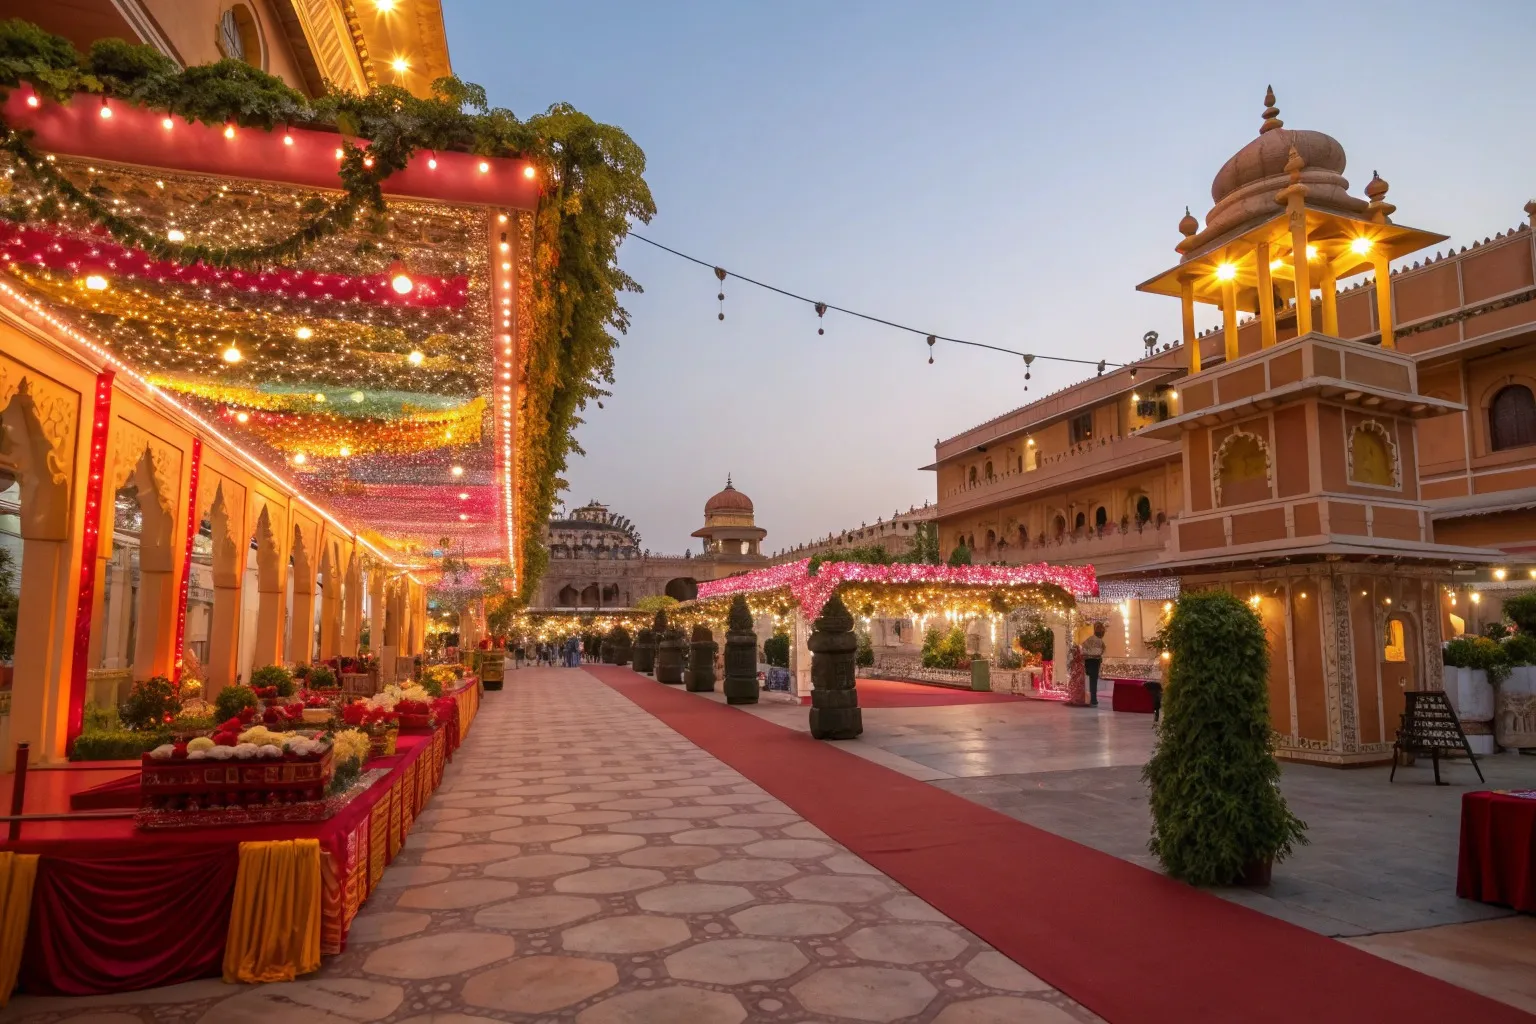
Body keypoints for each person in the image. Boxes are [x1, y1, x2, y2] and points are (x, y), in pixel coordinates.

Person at [1081, 621, 1106, 707]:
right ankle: (1093, 700)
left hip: (1087, 660)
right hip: (1095, 660)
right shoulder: (1100, 640)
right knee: (1093, 681)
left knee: (1086, 680)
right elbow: (1103, 650)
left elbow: (1082, 648)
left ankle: (1084, 698)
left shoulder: (1086, 639)